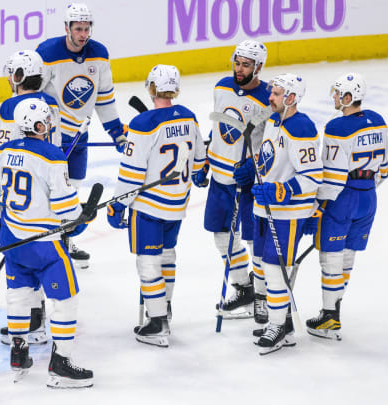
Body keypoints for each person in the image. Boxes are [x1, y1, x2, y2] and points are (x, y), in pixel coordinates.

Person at [0, 98, 94, 388]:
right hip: (45, 247)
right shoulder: (53, 155)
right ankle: (61, 363)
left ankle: (19, 353)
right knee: (65, 298)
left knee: (19, 294)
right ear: (41, 124)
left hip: (11, 240)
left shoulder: (4, 151)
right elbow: (67, 209)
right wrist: (84, 216)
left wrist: (7, 223)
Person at [106, 65, 207, 347]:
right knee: (167, 255)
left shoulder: (143, 124)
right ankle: (165, 307)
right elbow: (200, 158)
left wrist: (118, 205)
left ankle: (157, 321)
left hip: (150, 206)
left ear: (151, 88)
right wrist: (199, 173)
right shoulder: (189, 116)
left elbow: (131, 172)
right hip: (178, 202)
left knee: (147, 262)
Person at [0, 49, 60, 347]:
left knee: (22, 261)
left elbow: (8, 155)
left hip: (18, 199)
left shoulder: (12, 107)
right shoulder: (52, 104)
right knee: (44, 257)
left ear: (19, 76)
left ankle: (31, 325)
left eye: (12, 74)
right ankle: (39, 323)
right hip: (51, 191)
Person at [35, 2, 128, 268]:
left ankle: (63, 240)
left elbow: (104, 96)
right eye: (78, 28)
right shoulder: (48, 52)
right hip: (51, 137)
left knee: (73, 186)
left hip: (80, 134)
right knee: (51, 189)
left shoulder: (99, 54)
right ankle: (44, 241)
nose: (83, 34)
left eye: (87, 28)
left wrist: (115, 131)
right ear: (66, 27)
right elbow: (33, 95)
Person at [302, 73, 388, 341]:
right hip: (368, 198)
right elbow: (382, 171)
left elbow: (334, 177)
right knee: (348, 255)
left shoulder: (337, 127)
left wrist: (317, 206)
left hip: (344, 198)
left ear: (349, 97)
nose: (334, 97)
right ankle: (334, 309)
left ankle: (330, 315)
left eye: (338, 92)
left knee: (331, 256)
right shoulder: (378, 120)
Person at [249, 73, 322, 355]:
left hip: (287, 212)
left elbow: (312, 176)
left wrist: (281, 191)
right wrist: (252, 171)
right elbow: (269, 159)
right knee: (265, 266)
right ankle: (285, 323)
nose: (271, 97)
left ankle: (277, 326)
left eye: (277, 94)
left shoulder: (301, 127)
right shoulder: (273, 120)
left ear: (291, 98)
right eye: (272, 92)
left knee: (274, 268)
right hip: (265, 207)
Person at [200, 40, 272, 322]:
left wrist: (255, 168)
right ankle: (244, 287)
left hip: (248, 182)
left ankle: (264, 296)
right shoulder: (221, 87)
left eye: (246, 65)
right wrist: (206, 158)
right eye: (237, 62)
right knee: (221, 236)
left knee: (255, 241)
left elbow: (272, 144)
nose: (239, 69)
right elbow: (219, 127)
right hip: (220, 177)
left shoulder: (267, 99)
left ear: (259, 67)